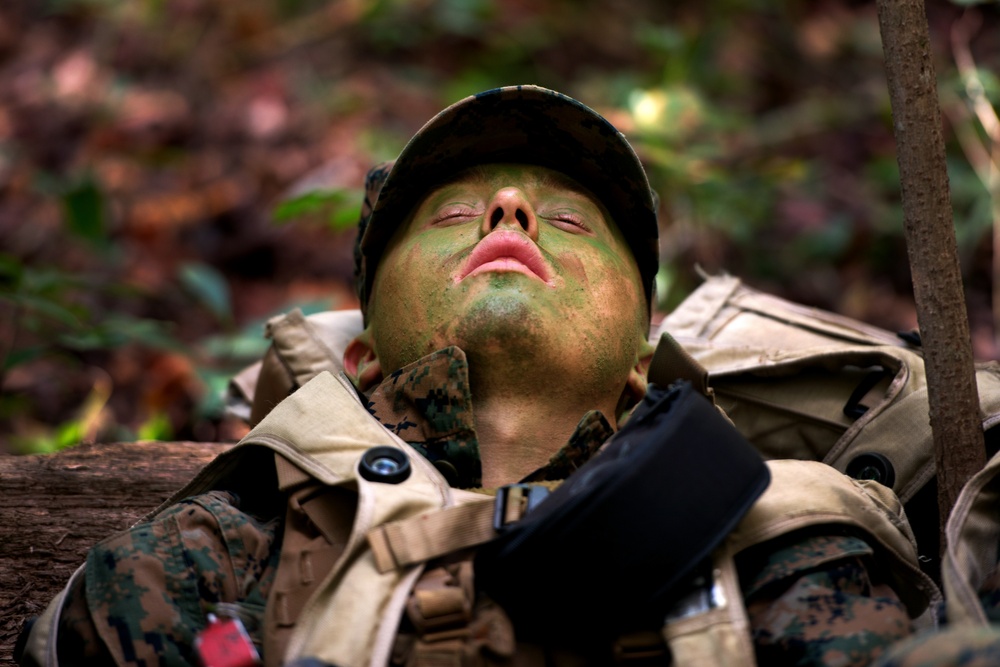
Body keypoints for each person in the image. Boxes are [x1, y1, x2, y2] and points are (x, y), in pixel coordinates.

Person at [20, 85, 940, 667]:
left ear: (639, 358)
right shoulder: (207, 558)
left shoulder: (783, 543)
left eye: (570, 223)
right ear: (363, 353)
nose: (509, 208)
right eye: (454, 213)